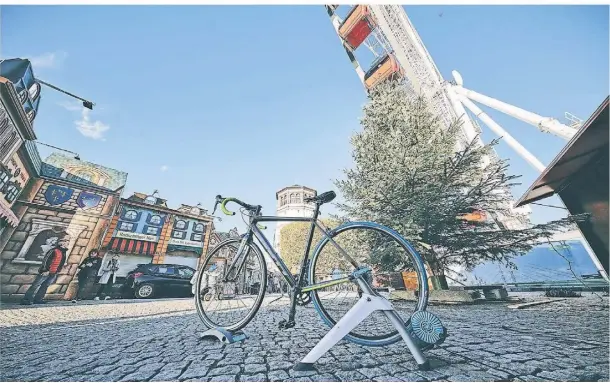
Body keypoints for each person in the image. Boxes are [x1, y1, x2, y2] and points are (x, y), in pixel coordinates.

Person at [21, 237, 70, 305]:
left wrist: (57, 271)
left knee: (45, 286)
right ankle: (26, 300)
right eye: (65, 241)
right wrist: (45, 270)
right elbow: (46, 260)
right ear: (61, 243)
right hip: (46, 271)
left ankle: (38, 299)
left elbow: (61, 262)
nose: (67, 243)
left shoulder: (63, 252)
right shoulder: (53, 250)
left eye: (67, 241)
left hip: (54, 272)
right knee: (35, 285)